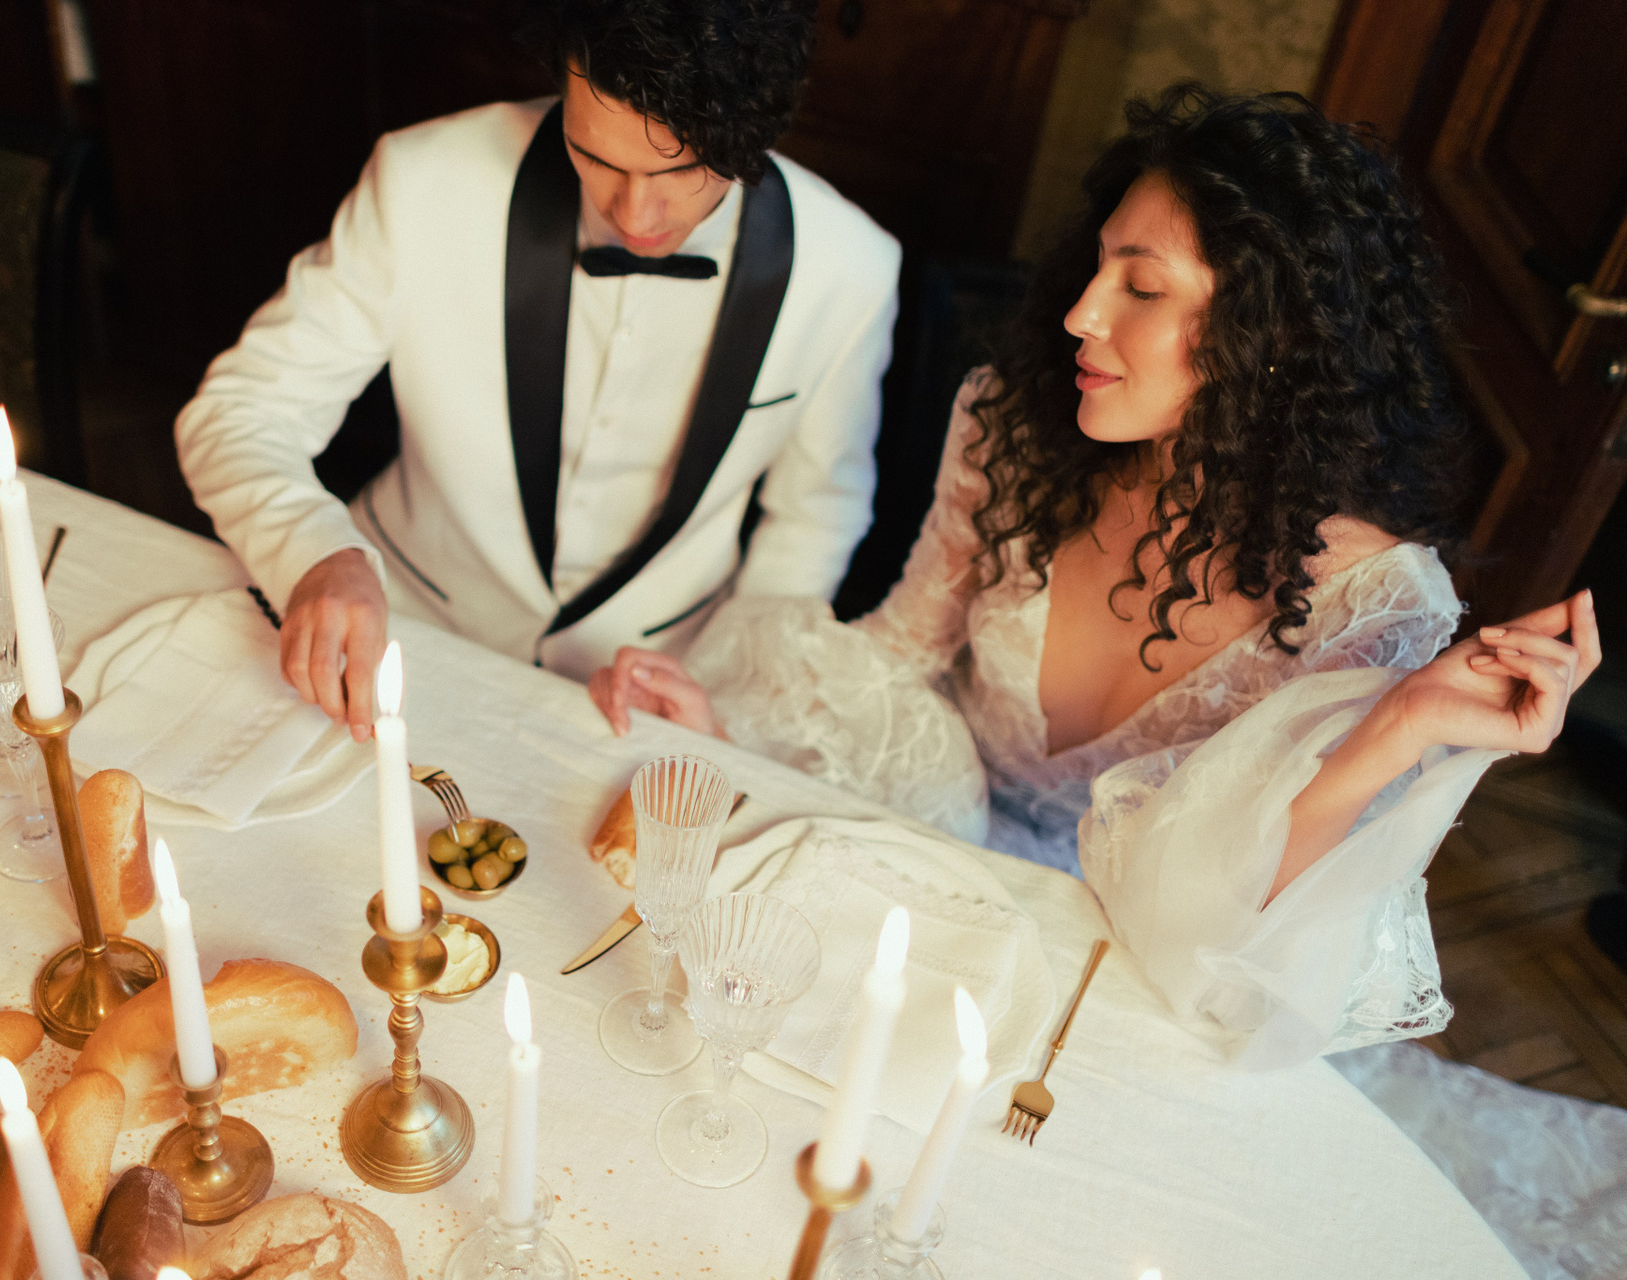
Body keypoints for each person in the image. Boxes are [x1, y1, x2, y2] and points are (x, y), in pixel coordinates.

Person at [587, 87, 1603, 1067]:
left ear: (1276, 333)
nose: (1080, 313)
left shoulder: (1370, 605)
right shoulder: (1014, 431)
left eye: (1142, 288)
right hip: (928, 856)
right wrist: (738, 738)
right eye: (1098, 267)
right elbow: (897, 658)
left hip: (1131, 971)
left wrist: (1400, 725)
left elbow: (1244, 930)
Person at [175, 0, 899, 742]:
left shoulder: (852, 270)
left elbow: (816, 516)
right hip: (402, 630)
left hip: (655, 692)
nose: (633, 214)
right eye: (596, 156)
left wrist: (730, 695)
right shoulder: (422, 182)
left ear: (754, 128)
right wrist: (314, 554)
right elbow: (240, 411)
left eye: (679, 169)